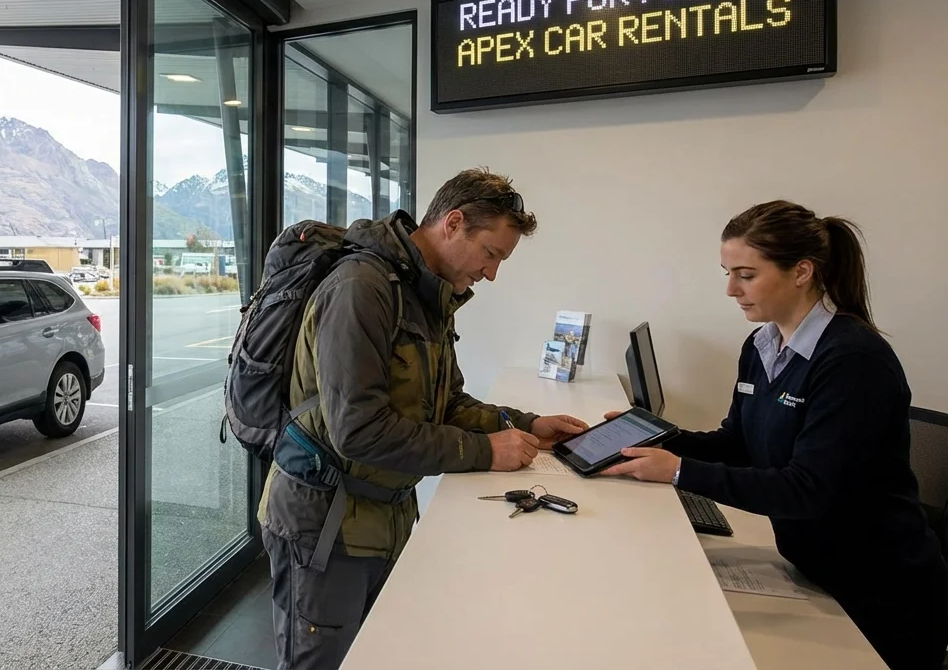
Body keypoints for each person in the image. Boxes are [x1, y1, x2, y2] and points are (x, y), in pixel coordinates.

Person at [257, 168, 590, 670]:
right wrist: (484, 452)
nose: (493, 273)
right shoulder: (361, 289)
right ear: (453, 223)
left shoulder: (425, 294)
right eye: (492, 254)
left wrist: (526, 423)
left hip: (380, 519)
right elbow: (359, 431)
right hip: (322, 528)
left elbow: (448, 404)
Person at [603, 200, 948, 670]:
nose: (730, 289)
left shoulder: (852, 361)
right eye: (727, 273)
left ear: (802, 271)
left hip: (877, 596)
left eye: (746, 274)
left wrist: (681, 471)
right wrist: (659, 439)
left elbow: (809, 489)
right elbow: (739, 442)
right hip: (814, 571)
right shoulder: (763, 345)